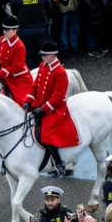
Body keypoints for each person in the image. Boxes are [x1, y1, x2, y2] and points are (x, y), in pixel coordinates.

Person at [23, 41, 79, 177]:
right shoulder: (43, 66)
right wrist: (28, 100)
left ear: (53, 55)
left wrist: (43, 109)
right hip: (40, 104)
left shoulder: (60, 72)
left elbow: (58, 97)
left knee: (46, 133)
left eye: (44, 55)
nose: (42, 57)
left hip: (54, 108)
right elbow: (35, 86)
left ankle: (59, 163)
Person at [10, 0, 54, 67]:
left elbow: (14, 11)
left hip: (25, 30)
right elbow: (50, 9)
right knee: (45, 54)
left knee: (27, 56)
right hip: (41, 29)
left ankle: (30, 76)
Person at [0, 17, 33, 106]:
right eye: (4, 30)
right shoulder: (1, 39)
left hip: (17, 78)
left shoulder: (19, 46)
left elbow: (17, 67)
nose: (4, 32)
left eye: (7, 30)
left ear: (15, 30)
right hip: (5, 74)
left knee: (20, 102)